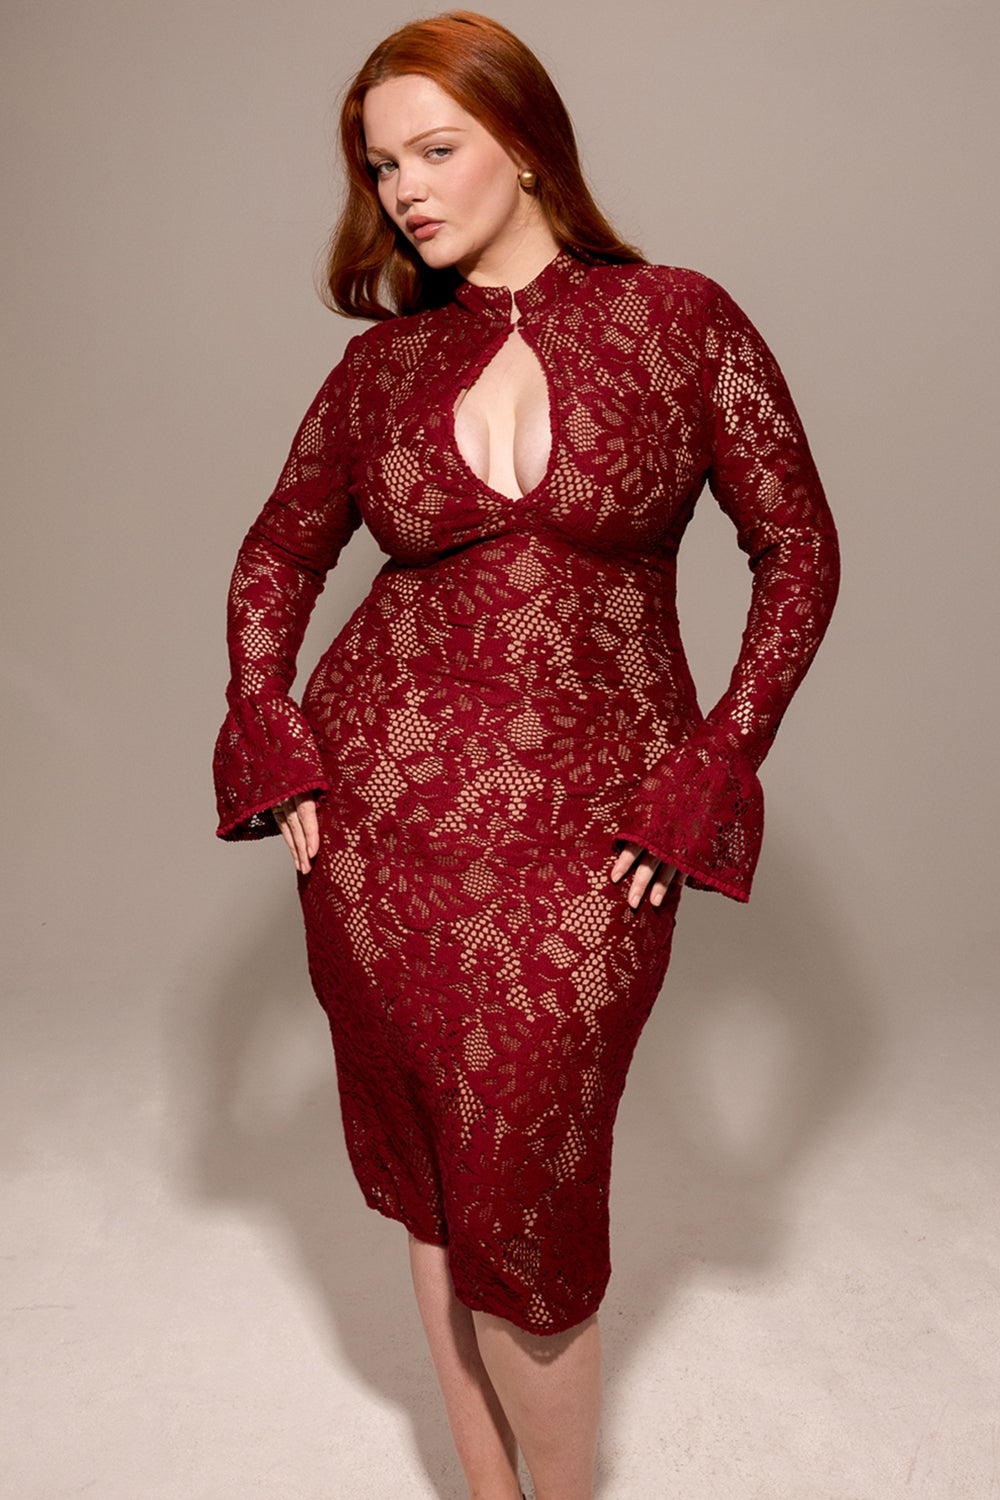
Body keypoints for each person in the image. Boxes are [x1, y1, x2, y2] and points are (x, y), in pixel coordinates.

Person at [212, 11, 839, 1498]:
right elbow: (278, 554)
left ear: (527, 143)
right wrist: (275, 734)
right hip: (382, 829)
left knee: (525, 1189)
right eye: (384, 167)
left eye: (436, 150)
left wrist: (717, 760)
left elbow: (799, 548)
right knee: (441, 1173)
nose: (407, 190)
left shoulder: (679, 321)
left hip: (597, 834)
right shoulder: (380, 370)